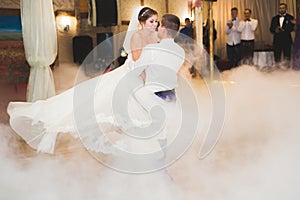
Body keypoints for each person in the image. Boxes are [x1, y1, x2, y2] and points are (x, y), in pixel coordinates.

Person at [6, 6, 160, 154]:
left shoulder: (152, 36)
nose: (154, 24)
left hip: (142, 76)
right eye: (151, 21)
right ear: (141, 23)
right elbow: (138, 59)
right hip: (132, 75)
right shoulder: (137, 36)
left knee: (135, 114)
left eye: (156, 21)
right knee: (100, 104)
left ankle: (137, 147)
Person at [291, 6, 300, 70]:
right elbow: (294, 29)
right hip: (298, 37)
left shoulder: (297, 20)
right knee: (296, 52)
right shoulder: (297, 19)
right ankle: (296, 67)